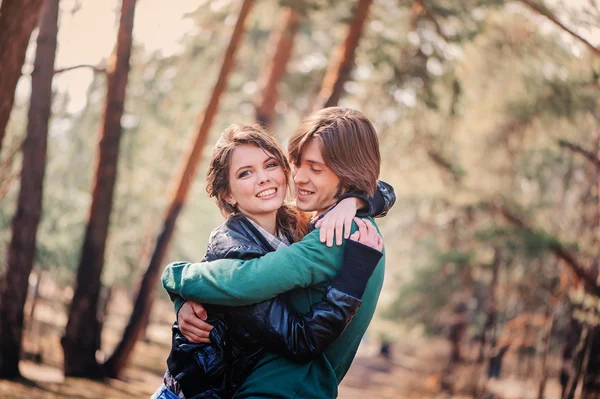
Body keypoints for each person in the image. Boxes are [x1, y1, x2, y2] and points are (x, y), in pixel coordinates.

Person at [153, 121, 393, 399]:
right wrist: (176, 281)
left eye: (270, 165)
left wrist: (356, 201)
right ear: (228, 194)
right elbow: (299, 340)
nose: (263, 178)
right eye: (245, 173)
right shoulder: (233, 248)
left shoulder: (297, 224)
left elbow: (377, 186)